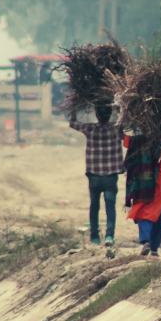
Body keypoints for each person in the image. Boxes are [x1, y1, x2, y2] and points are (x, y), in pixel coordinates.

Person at [69, 105, 123, 246]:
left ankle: (94, 237)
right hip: (111, 176)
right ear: (110, 114)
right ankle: (109, 236)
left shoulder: (90, 129)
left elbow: (72, 123)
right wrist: (119, 108)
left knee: (94, 206)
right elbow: (127, 121)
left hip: (94, 176)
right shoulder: (116, 129)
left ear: (97, 115)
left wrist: (74, 106)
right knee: (110, 206)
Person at [124, 133, 161, 258]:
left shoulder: (134, 140)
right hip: (160, 180)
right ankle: (154, 249)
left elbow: (123, 138)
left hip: (141, 181)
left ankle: (147, 241)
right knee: (160, 216)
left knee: (142, 211)